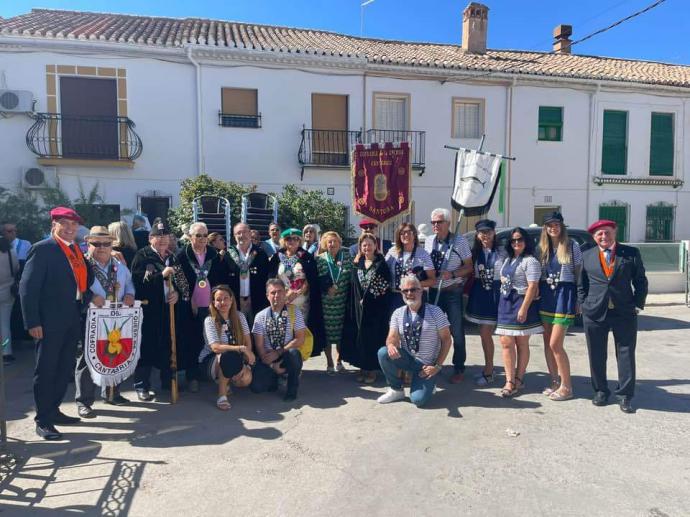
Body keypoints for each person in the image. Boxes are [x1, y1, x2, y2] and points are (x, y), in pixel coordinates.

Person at [19, 206, 94, 440]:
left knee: (63, 368)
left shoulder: (75, 250)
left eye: (74, 225)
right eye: (66, 224)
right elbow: (27, 288)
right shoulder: (43, 249)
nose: (71, 229)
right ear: (54, 225)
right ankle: (43, 419)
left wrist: (90, 297)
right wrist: (32, 321)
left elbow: (82, 281)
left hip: (71, 317)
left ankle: (54, 409)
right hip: (48, 321)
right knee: (47, 369)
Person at [578, 220, 648, 413]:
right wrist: (584, 305)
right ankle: (600, 391)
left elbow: (641, 281)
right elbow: (581, 284)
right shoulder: (586, 255)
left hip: (624, 311)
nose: (604, 237)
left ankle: (625, 395)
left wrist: (637, 304)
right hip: (594, 312)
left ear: (614, 232)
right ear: (594, 236)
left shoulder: (630, 253)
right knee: (596, 354)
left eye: (607, 233)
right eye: (599, 234)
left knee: (625, 354)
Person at [74, 226, 136, 418]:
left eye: (106, 244)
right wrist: (91, 296)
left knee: (114, 353)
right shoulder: (81, 264)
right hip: (89, 317)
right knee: (87, 358)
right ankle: (84, 401)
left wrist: (129, 295)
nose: (101, 247)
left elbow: (130, 284)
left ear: (112, 245)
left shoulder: (119, 265)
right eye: (96, 243)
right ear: (87, 244)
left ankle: (111, 393)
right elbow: (74, 286)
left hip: (115, 317)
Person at [377, 275, 452, 408]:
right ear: (401, 293)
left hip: (426, 365)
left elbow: (446, 340)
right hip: (407, 358)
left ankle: (430, 383)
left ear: (421, 291)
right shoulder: (398, 313)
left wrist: (437, 366)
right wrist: (390, 345)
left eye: (413, 289)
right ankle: (396, 390)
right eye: (405, 291)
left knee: (418, 400)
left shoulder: (435, 312)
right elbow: (392, 336)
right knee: (383, 353)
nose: (409, 293)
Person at [130, 221, 181, 401]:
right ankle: (142, 385)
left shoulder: (172, 257)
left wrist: (177, 295)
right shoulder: (142, 256)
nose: (162, 240)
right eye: (158, 237)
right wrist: (162, 276)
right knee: (146, 347)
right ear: (150, 238)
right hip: (148, 310)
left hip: (168, 310)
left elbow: (182, 283)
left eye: (165, 237)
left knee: (168, 344)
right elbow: (138, 283)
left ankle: (167, 381)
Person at [176, 222, 229, 393]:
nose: (202, 239)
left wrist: (218, 301)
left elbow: (221, 279)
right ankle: (192, 377)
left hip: (211, 306)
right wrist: (188, 298)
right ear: (190, 237)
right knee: (192, 340)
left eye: (205, 235)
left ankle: (211, 373)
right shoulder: (181, 256)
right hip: (189, 306)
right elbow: (177, 281)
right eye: (198, 235)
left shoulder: (214, 256)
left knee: (212, 340)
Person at [538, 211, 582, 401]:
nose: (553, 228)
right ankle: (555, 382)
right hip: (547, 296)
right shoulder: (542, 248)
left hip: (565, 295)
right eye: (549, 225)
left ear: (562, 226)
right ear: (545, 228)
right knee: (547, 343)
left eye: (556, 224)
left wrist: (579, 300)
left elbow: (580, 273)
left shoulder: (572, 246)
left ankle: (567, 387)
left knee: (556, 343)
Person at [425, 208, 473, 384]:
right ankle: (433, 364)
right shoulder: (429, 241)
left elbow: (469, 266)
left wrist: (452, 274)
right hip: (434, 291)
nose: (435, 225)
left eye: (439, 222)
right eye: (433, 222)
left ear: (448, 223)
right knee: (432, 330)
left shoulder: (459, 241)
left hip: (452, 291)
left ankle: (459, 367)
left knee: (457, 332)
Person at [495, 227, 543, 398]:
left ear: (526, 241)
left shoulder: (531, 261)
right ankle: (509, 380)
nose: (516, 243)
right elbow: (502, 277)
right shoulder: (508, 259)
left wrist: (524, 308)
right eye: (513, 240)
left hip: (522, 302)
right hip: (506, 302)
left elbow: (533, 286)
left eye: (520, 239)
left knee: (521, 344)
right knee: (506, 343)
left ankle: (519, 378)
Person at [341, 233, 391, 383]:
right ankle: (362, 367)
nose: (367, 247)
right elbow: (353, 284)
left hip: (375, 309)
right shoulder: (358, 263)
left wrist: (368, 298)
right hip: (359, 309)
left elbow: (384, 285)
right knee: (360, 337)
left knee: (373, 338)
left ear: (375, 246)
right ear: (360, 248)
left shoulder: (381, 264)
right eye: (364, 245)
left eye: (369, 244)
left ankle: (372, 370)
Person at [268, 228, 325, 356]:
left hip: (301, 302)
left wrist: (299, 290)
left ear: (300, 241)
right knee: (284, 332)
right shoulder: (277, 257)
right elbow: (272, 278)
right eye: (288, 239)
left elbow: (312, 278)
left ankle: (298, 362)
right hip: (282, 300)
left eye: (295, 239)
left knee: (299, 332)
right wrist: (284, 295)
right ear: (283, 241)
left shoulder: (306, 257)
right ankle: (283, 362)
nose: (292, 241)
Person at [464, 219, 507, 386]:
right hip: (481, 293)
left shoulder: (504, 250)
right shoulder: (474, 252)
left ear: (494, 232)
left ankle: (513, 374)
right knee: (484, 333)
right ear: (477, 235)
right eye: (482, 232)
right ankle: (489, 370)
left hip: (500, 293)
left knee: (506, 337)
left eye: (488, 232)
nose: (485, 235)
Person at [201, 285, 255, 410]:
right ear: (213, 303)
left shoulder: (240, 316)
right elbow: (216, 348)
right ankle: (222, 395)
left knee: (246, 380)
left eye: (226, 298)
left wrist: (247, 357)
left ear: (231, 300)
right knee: (227, 356)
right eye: (218, 299)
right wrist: (241, 348)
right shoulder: (210, 320)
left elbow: (247, 340)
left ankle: (227, 380)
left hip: (236, 357)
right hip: (211, 361)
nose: (223, 302)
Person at [250, 279, 305, 402]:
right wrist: (271, 364)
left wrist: (279, 352)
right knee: (256, 387)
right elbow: (259, 346)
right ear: (267, 296)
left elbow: (300, 339)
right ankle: (275, 376)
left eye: (280, 291)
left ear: (285, 293)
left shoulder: (294, 311)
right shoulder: (260, 316)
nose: (276, 295)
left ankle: (292, 388)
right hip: (269, 357)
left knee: (294, 354)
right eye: (273, 292)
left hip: (286, 354)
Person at [316, 231, 352, 374]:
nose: (332, 244)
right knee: (327, 333)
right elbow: (317, 279)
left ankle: (339, 360)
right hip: (326, 302)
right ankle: (329, 362)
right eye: (329, 242)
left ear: (339, 243)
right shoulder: (320, 259)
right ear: (325, 244)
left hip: (343, 302)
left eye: (335, 241)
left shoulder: (347, 257)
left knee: (341, 333)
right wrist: (327, 288)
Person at [225, 222, 270, 326]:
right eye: (238, 233)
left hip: (256, 299)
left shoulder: (260, 254)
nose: (242, 235)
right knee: (237, 330)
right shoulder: (228, 255)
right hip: (235, 301)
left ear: (250, 234)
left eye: (245, 232)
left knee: (257, 330)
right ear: (234, 236)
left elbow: (267, 278)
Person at [385, 223, 436, 312]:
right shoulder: (392, 251)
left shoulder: (423, 254)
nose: (406, 235)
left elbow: (432, 280)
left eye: (409, 232)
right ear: (399, 236)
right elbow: (383, 270)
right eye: (402, 233)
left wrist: (414, 285)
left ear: (414, 234)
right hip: (395, 297)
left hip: (415, 297)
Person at [0, 235, 19, 363]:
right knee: (5, 324)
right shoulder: (11, 252)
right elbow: (17, 269)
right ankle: (6, 352)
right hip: (8, 291)